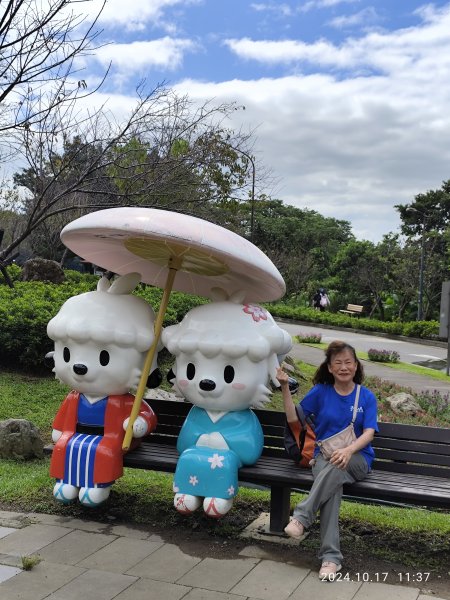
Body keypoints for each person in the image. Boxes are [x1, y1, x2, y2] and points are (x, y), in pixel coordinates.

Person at [276, 340, 378, 581]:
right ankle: (331, 559)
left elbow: (369, 433)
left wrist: (348, 450)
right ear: (330, 368)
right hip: (324, 457)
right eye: (338, 363)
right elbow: (294, 418)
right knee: (332, 488)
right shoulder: (321, 392)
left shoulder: (366, 396)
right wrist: (283, 387)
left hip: (358, 459)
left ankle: (302, 517)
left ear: (356, 366)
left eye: (348, 362)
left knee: (337, 466)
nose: (344, 367)